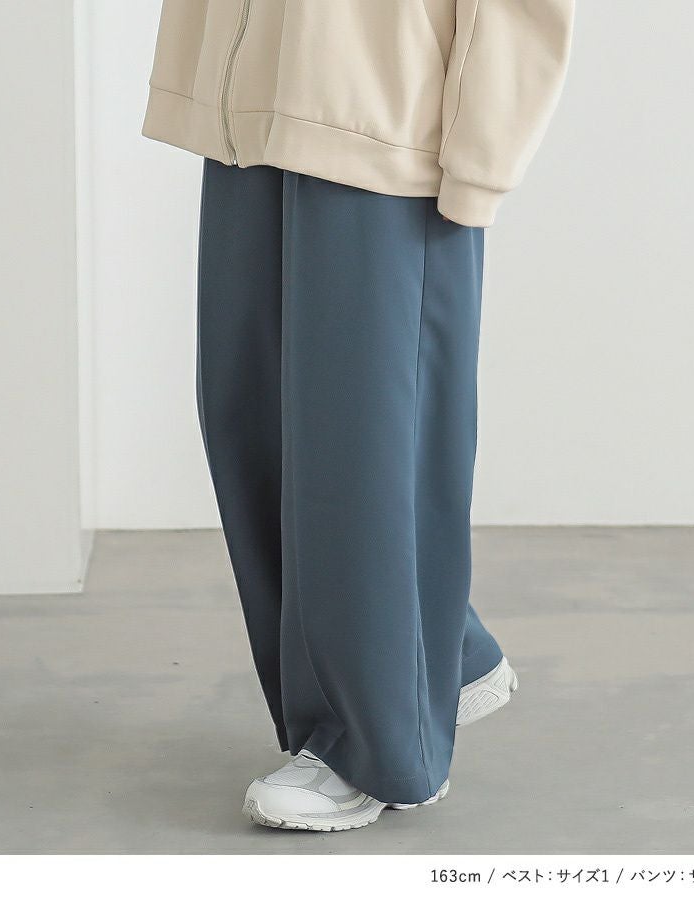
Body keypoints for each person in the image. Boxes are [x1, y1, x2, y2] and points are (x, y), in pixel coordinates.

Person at [143, 0, 574, 832]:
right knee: (248, 415)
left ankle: (375, 745)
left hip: (386, 111)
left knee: (358, 445)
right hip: (248, 94)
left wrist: (483, 150)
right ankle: (441, 656)